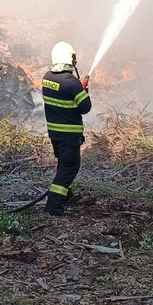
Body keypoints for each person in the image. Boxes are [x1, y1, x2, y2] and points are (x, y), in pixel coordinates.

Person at [41, 41, 92, 216]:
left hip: (54, 133)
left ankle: (67, 195)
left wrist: (78, 90)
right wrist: (83, 92)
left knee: (64, 163)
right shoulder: (72, 83)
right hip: (69, 134)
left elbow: (64, 98)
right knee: (70, 166)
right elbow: (85, 107)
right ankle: (54, 205)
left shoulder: (47, 78)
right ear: (71, 59)